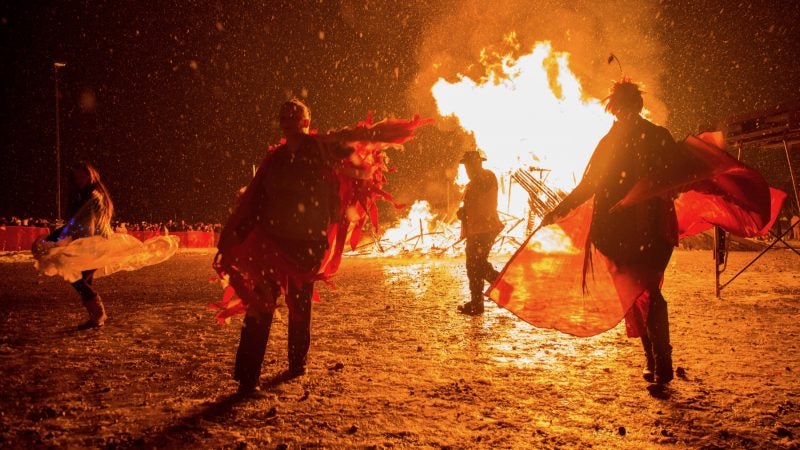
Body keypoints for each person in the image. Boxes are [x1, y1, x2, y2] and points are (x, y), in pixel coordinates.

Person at [542, 79, 677, 386]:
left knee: (648, 291)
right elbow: (589, 184)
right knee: (636, 294)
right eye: (619, 110)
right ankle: (654, 359)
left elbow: (677, 173)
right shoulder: (614, 142)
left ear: (635, 108)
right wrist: (559, 209)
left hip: (649, 227)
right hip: (616, 231)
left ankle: (662, 362)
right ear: (614, 110)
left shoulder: (656, 137)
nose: (622, 115)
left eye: (626, 108)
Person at [50, 162, 114, 330]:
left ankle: (99, 314)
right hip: (92, 243)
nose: (77, 180)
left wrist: (55, 236)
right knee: (83, 280)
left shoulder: (93, 196)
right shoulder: (88, 195)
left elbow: (78, 223)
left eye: (81, 176)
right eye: (75, 177)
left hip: (96, 244)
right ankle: (96, 317)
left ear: (90, 175)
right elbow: (78, 223)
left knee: (77, 279)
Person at [456, 149, 503, 315]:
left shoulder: (486, 176)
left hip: (485, 229)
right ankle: (478, 302)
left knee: (477, 265)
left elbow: (483, 191)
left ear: (478, 164)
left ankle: (502, 288)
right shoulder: (472, 183)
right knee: (474, 265)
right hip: (476, 230)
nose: (468, 171)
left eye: (470, 166)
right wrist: (463, 212)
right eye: (466, 168)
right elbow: (473, 205)